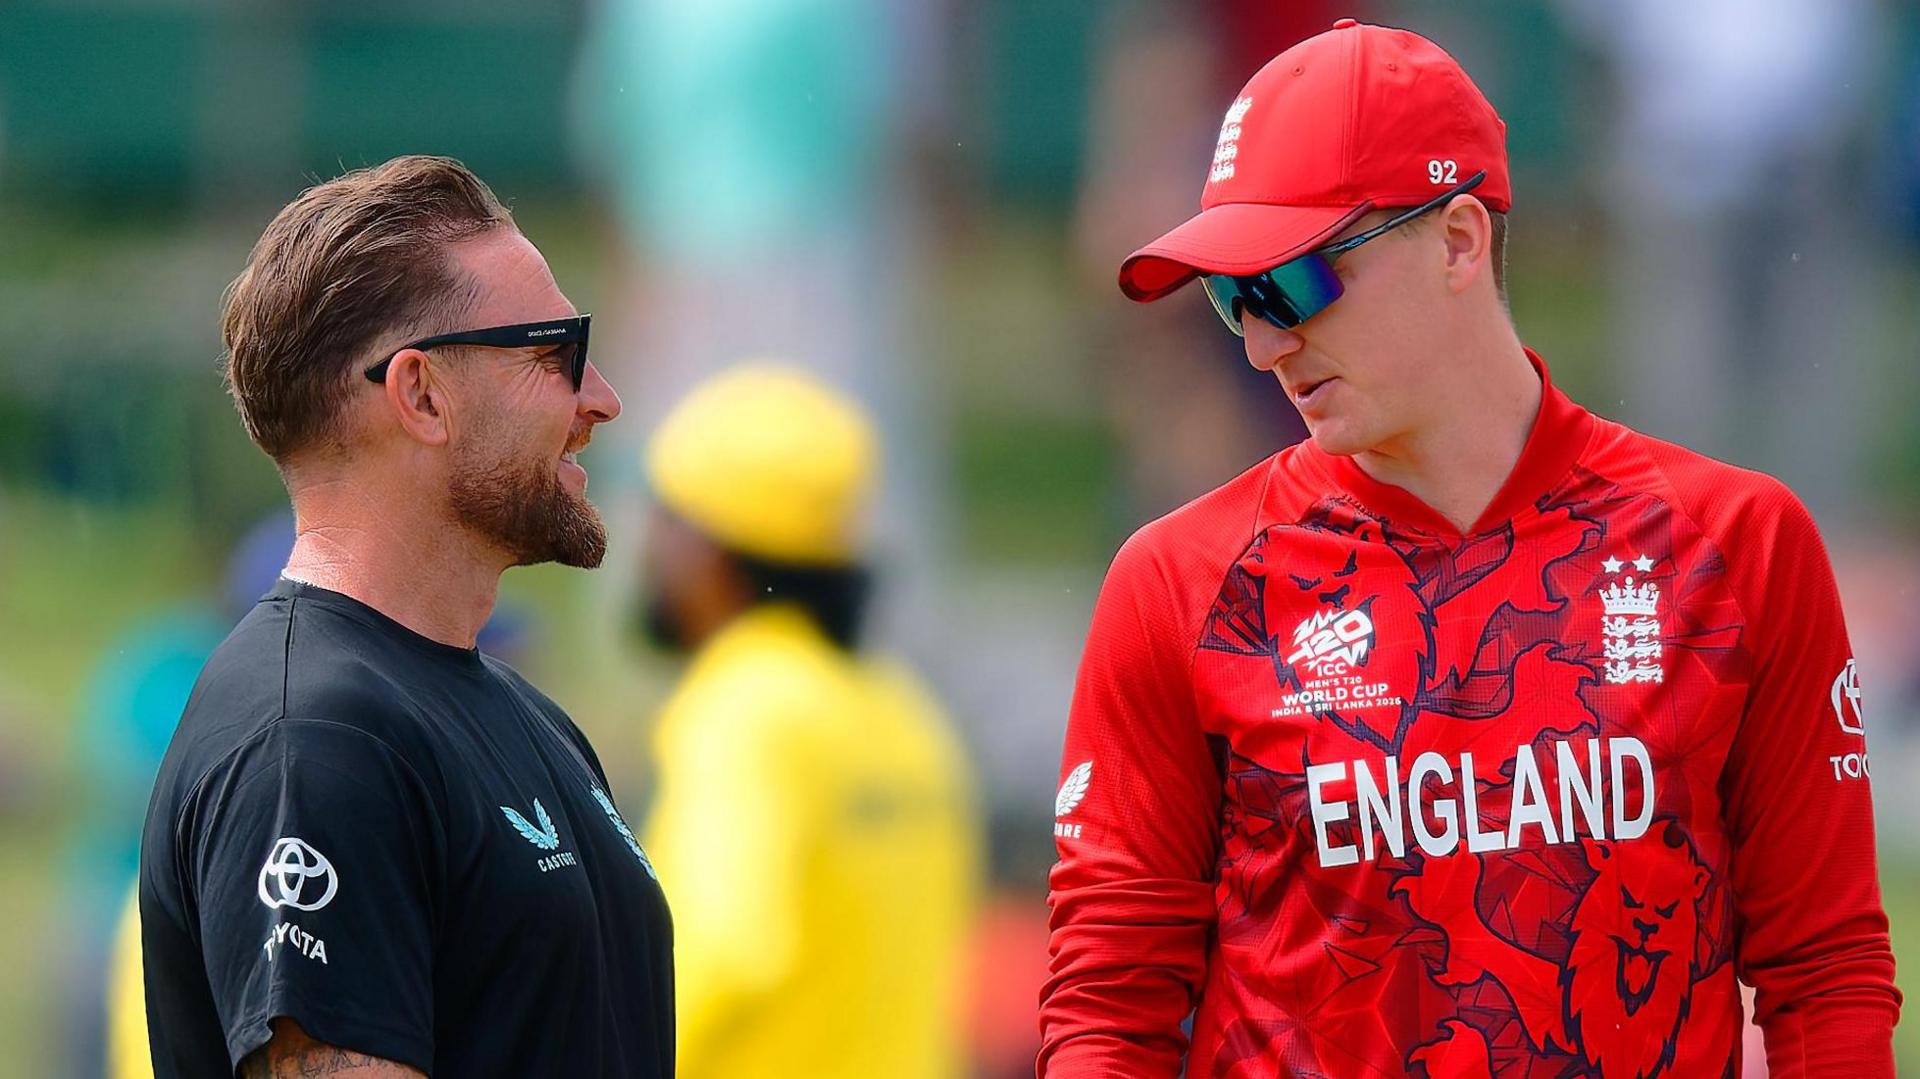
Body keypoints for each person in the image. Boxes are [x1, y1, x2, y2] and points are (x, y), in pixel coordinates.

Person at [1040, 19, 1900, 1078]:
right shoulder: (1181, 583)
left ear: (1457, 239)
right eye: (1232, 299)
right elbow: (1106, 1011)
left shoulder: (1735, 545)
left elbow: (1825, 975)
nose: (1264, 342)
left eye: (1293, 283)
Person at [137, 155, 672, 1078]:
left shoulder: (527, 719)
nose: (601, 400)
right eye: (556, 352)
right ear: (422, 393)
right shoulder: (316, 737)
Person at [636, 363, 980, 1078]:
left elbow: (723, 947)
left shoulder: (743, 707)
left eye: (663, 517)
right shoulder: (902, 710)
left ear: (706, 550)